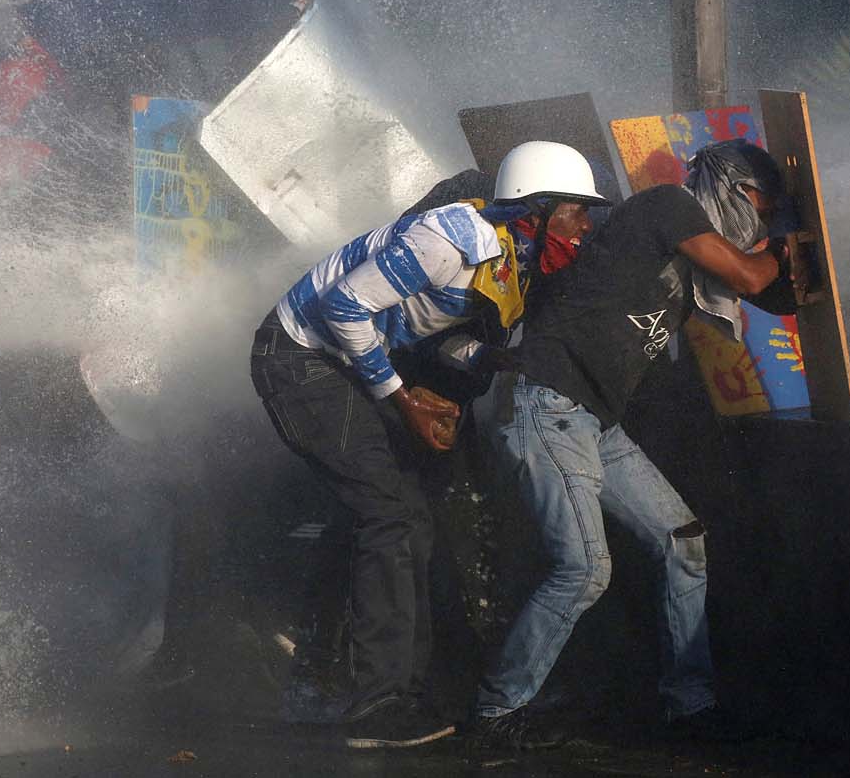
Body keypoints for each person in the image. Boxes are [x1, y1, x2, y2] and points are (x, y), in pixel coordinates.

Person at [250, 141, 610, 749]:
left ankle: (391, 694)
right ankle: (374, 704)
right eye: (575, 211)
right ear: (535, 209)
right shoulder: (450, 238)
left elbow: (438, 338)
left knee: (406, 516)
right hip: (299, 358)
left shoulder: (511, 265)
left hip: (342, 364)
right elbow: (344, 306)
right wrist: (402, 399)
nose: (583, 229)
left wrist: (500, 357)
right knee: (391, 514)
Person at [465, 138, 789, 752]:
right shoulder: (666, 205)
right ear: (729, 188)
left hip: (592, 418)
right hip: (550, 401)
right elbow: (752, 275)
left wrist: (786, 261)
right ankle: (495, 714)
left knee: (682, 540)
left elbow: (766, 289)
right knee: (585, 570)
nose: (761, 219)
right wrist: (786, 247)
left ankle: (690, 707)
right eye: (759, 204)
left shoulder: (689, 251)